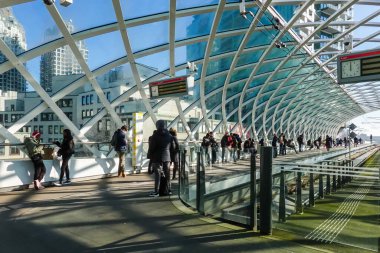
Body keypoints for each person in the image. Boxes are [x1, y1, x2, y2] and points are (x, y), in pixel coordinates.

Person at [148, 120, 173, 197]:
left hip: (157, 157)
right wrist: (170, 157)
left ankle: (156, 191)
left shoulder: (154, 136)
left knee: (157, 175)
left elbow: (151, 148)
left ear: (157, 126)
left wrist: (150, 158)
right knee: (167, 174)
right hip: (167, 157)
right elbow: (173, 147)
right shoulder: (169, 136)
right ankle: (168, 190)